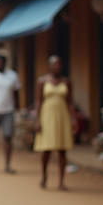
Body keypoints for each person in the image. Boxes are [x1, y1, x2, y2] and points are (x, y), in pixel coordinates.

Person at [33, 55, 78, 190]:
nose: (56, 67)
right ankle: (44, 176)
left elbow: (70, 102)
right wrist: (37, 119)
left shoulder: (66, 82)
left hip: (62, 116)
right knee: (46, 149)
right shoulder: (42, 81)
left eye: (58, 64)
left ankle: (61, 181)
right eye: (54, 64)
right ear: (49, 66)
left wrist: (74, 118)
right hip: (47, 116)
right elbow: (39, 101)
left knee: (62, 150)